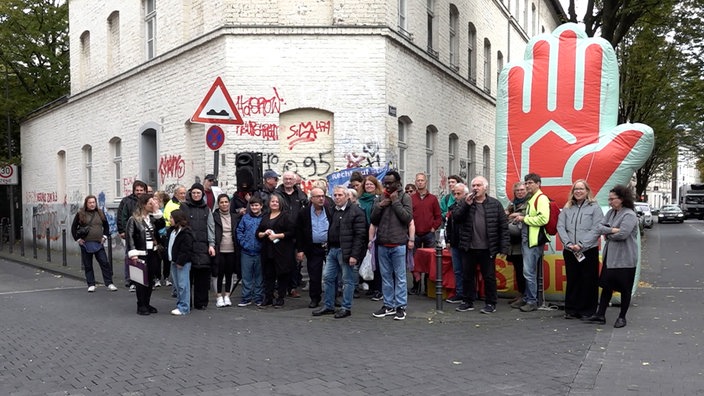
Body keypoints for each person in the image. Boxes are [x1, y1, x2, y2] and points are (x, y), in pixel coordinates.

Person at [452, 176, 509, 314]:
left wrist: (504, 246)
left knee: (489, 276)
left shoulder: (495, 204)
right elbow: (456, 218)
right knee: (467, 276)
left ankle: (490, 303)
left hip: (487, 248)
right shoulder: (465, 202)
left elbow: (503, 226)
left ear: (485, 187)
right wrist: (466, 204)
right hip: (468, 247)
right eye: (474, 185)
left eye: (478, 185)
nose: (475, 188)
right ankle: (467, 301)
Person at [584, 185, 638, 328]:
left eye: (612, 199)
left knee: (625, 289)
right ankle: (600, 314)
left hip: (625, 259)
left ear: (621, 199)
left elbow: (623, 234)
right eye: (609, 199)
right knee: (607, 286)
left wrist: (607, 233)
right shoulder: (610, 213)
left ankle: (622, 317)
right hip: (610, 257)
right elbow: (599, 227)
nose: (610, 202)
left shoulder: (629, 215)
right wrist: (612, 230)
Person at [312, 186, 367, 318]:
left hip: (346, 251)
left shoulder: (356, 212)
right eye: (335, 195)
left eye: (340, 195)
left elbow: (360, 235)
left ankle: (346, 308)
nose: (337, 197)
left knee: (347, 280)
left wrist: (354, 255)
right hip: (332, 250)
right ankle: (329, 305)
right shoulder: (333, 210)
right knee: (328, 278)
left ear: (347, 196)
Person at [556, 180, 604, 319]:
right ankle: (571, 310)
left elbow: (597, 228)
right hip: (571, 250)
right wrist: (569, 243)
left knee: (588, 280)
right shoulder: (567, 207)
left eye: (581, 189)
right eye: (576, 189)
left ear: (587, 191)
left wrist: (582, 244)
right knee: (573, 279)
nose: (578, 191)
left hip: (588, 250)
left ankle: (587, 311)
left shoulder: (594, 208)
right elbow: (561, 226)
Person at [370, 170, 413, 320]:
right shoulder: (380, 197)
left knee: (400, 277)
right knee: (386, 276)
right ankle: (388, 305)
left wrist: (395, 202)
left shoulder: (405, 197)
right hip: (382, 243)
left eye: (390, 183)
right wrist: (380, 205)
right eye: (385, 183)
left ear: (398, 183)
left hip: (398, 243)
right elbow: (373, 219)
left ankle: (400, 306)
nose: (387, 186)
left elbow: (407, 218)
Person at [511, 173, 550, 312]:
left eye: (530, 183)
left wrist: (524, 219)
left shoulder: (541, 198)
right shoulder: (533, 198)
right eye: (526, 183)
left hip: (533, 241)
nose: (527, 186)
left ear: (538, 184)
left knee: (529, 272)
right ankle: (528, 298)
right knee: (527, 271)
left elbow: (543, 219)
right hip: (528, 239)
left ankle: (532, 300)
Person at [126, 194, 165, 315]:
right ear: (143, 205)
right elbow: (130, 237)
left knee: (151, 280)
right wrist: (133, 254)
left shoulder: (153, 218)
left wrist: (157, 211)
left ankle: (147, 303)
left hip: (152, 252)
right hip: (140, 253)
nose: (152, 205)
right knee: (141, 281)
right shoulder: (133, 220)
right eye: (150, 203)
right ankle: (141, 305)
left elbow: (162, 226)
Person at [180, 183, 216, 310]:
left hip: (203, 247)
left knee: (202, 276)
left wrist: (211, 244)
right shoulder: (184, 207)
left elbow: (211, 227)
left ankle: (201, 303)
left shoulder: (207, 209)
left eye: (198, 193)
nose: (196, 195)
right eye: (194, 193)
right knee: (187, 277)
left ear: (202, 194)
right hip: (188, 246)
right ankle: (186, 302)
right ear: (190, 194)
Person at [257, 193, 296, 307]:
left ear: (281, 204)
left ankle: (280, 297)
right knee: (268, 274)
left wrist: (277, 236)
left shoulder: (286, 216)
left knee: (282, 274)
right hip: (267, 250)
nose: (274, 203)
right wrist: (264, 233)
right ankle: (268, 297)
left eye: (277, 202)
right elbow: (258, 232)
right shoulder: (265, 216)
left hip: (282, 251)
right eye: (272, 201)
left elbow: (291, 233)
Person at [296, 187, 332, 308]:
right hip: (313, 248)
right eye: (318, 196)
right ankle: (315, 298)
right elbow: (299, 232)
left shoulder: (330, 210)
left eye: (323, 196)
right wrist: (300, 249)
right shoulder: (304, 212)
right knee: (314, 274)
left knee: (332, 274)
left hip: (329, 246)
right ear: (312, 199)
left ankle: (333, 297)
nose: (321, 198)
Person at [71, 195, 116, 292]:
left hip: (99, 244)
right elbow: (73, 228)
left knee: (104, 263)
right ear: (86, 204)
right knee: (88, 265)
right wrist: (78, 239)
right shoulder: (80, 214)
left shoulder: (100, 213)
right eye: (90, 202)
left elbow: (106, 226)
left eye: (93, 202)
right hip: (86, 244)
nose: (92, 204)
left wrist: (104, 237)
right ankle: (91, 284)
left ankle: (109, 283)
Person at [275, 171, 308, 298]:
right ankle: (280, 287)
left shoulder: (301, 195)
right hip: (280, 233)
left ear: (295, 181)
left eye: (290, 179)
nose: (288, 181)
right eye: (286, 179)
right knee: (281, 261)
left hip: (297, 232)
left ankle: (293, 287)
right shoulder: (277, 194)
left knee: (296, 262)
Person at [410, 172, 442, 294]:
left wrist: (433, 228)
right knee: (414, 260)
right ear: (415, 182)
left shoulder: (433, 199)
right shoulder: (411, 198)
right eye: (418, 180)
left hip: (429, 234)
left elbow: (438, 216)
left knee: (430, 261)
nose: (420, 182)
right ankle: (415, 285)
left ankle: (428, 287)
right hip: (415, 234)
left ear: (426, 182)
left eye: (422, 180)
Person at [117, 180, 147, 291]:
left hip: (144, 235)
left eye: (141, 190)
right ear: (134, 190)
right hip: (131, 234)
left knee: (144, 258)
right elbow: (121, 217)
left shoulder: (148, 201)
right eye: (137, 190)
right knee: (130, 257)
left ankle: (144, 279)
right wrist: (122, 230)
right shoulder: (127, 201)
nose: (139, 192)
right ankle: (131, 280)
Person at [236, 195, 265, 306]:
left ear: (261, 206)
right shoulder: (245, 218)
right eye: (252, 205)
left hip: (260, 252)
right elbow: (240, 231)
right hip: (246, 252)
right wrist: (244, 243)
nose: (254, 207)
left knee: (259, 277)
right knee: (246, 276)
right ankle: (246, 297)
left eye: (256, 205)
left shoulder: (264, 218)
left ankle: (258, 297)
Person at [358, 175, 384, 300]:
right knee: (365, 260)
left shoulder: (378, 199)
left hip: (375, 233)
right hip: (361, 233)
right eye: (367, 184)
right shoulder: (360, 200)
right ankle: (370, 285)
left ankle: (378, 288)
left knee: (376, 262)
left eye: (371, 184)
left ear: (376, 186)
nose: (369, 186)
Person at [213, 194, 240, 307]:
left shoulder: (234, 217)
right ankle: (219, 296)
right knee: (219, 273)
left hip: (232, 249)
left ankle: (227, 296)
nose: (224, 204)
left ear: (229, 203)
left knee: (229, 273)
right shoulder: (214, 216)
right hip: (219, 249)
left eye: (226, 202)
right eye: (221, 202)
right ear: (218, 204)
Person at [505, 181, 529, 306]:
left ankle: (526, 296)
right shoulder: (512, 203)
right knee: (517, 270)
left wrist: (518, 214)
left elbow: (531, 215)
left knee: (524, 271)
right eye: (517, 191)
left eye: (522, 190)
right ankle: (520, 293)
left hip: (524, 241)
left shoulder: (530, 203)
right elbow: (506, 215)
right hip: (513, 244)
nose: (520, 192)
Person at [167, 209, 194, 316]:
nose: (169, 220)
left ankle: (184, 307)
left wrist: (180, 261)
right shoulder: (172, 231)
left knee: (183, 285)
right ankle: (180, 303)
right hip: (174, 261)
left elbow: (186, 249)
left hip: (181, 263)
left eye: (171, 218)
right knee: (177, 285)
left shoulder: (185, 233)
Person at [444, 183, 468, 304]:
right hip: (454, 242)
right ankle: (459, 293)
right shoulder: (452, 207)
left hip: (466, 243)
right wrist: (448, 240)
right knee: (457, 270)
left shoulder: (470, 207)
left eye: (459, 194)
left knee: (467, 270)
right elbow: (449, 225)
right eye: (455, 194)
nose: (456, 196)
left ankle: (468, 294)